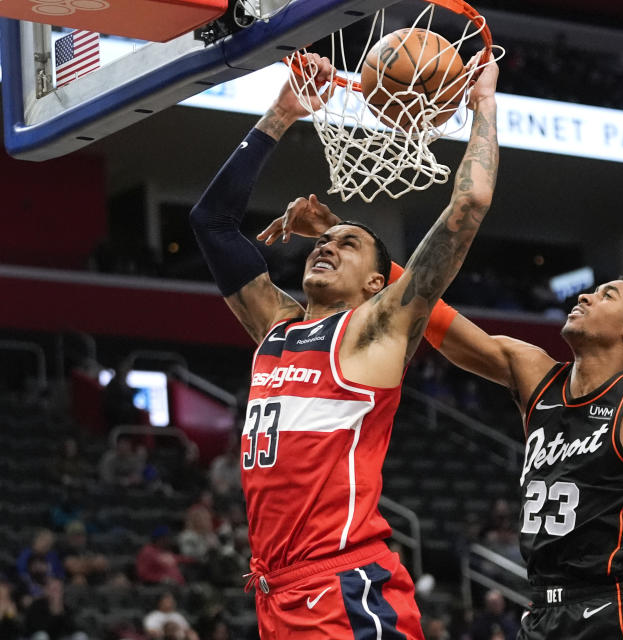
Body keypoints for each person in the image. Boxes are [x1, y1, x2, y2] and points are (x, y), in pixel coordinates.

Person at [266, 235, 623, 638]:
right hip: (540, 609)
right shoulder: (535, 373)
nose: (584, 294)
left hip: (617, 609)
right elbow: (432, 315)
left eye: (607, 295)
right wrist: (364, 256)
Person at [189, 51, 499, 639]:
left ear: (381, 283)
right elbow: (211, 222)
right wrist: (283, 113)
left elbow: (469, 206)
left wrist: (483, 104)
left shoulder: (378, 329)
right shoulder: (276, 325)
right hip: (277, 591)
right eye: (321, 240)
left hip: (344, 588)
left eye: (346, 243)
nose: (324, 245)